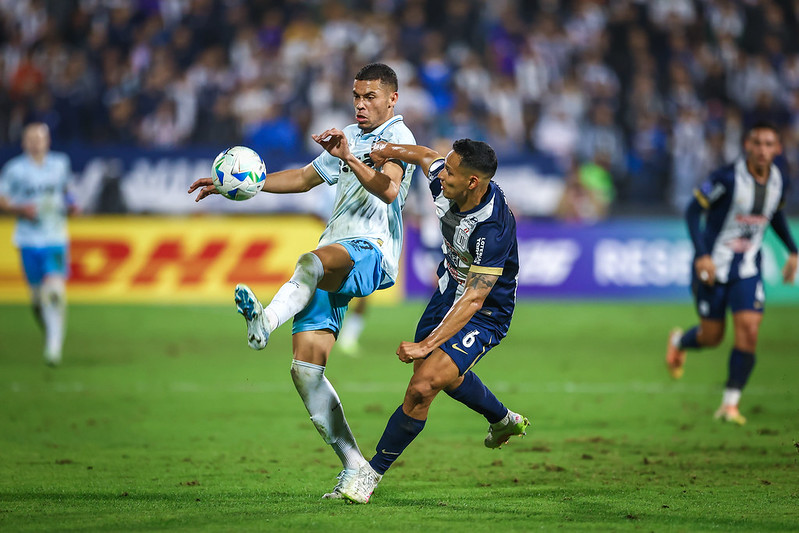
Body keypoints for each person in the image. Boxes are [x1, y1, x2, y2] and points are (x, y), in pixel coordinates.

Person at [188, 63, 417, 498]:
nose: (361, 104)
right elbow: (302, 178)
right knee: (305, 370)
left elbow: (388, 191)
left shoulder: (398, 140)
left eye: (370, 96)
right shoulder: (349, 134)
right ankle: (356, 468)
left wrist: (349, 155)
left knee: (310, 261)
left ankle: (264, 324)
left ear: (392, 99)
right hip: (337, 248)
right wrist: (239, 186)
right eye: (356, 96)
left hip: (371, 251)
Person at [337, 138, 529, 504]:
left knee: (423, 386)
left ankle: (369, 475)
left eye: (452, 172)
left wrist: (426, 345)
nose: (442, 177)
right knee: (445, 377)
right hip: (446, 294)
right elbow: (425, 155)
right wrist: (387, 149)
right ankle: (503, 419)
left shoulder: (492, 229)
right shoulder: (446, 180)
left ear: (474, 183)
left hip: (486, 312)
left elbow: (475, 297)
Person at [666, 121, 798, 425]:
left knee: (749, 331)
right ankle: (678, 342)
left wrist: (792, 249)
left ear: (778, 148)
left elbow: (774, 214)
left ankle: (729, 405)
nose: (763, 150)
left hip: (748, 269)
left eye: (769, 144)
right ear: (747, 146)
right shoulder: (725, 178)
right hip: (713, 268)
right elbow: (692, 210)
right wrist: (702, 256)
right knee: (711, 337)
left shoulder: (780, 179)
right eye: (757, 143)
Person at [0, 123, 76, 366]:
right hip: (28, 239)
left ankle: (54, 347)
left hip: (55, 238)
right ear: (24, 142)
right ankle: (50, 331)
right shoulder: (14, 169)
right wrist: (20, 209)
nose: (35, 142)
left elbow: (66, 191)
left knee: (54, 292)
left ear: (47, 141)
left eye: (39, 138)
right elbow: (3, 199)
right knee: (36, 299)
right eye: (30, 138)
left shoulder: (60, 164)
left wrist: (72, 204)